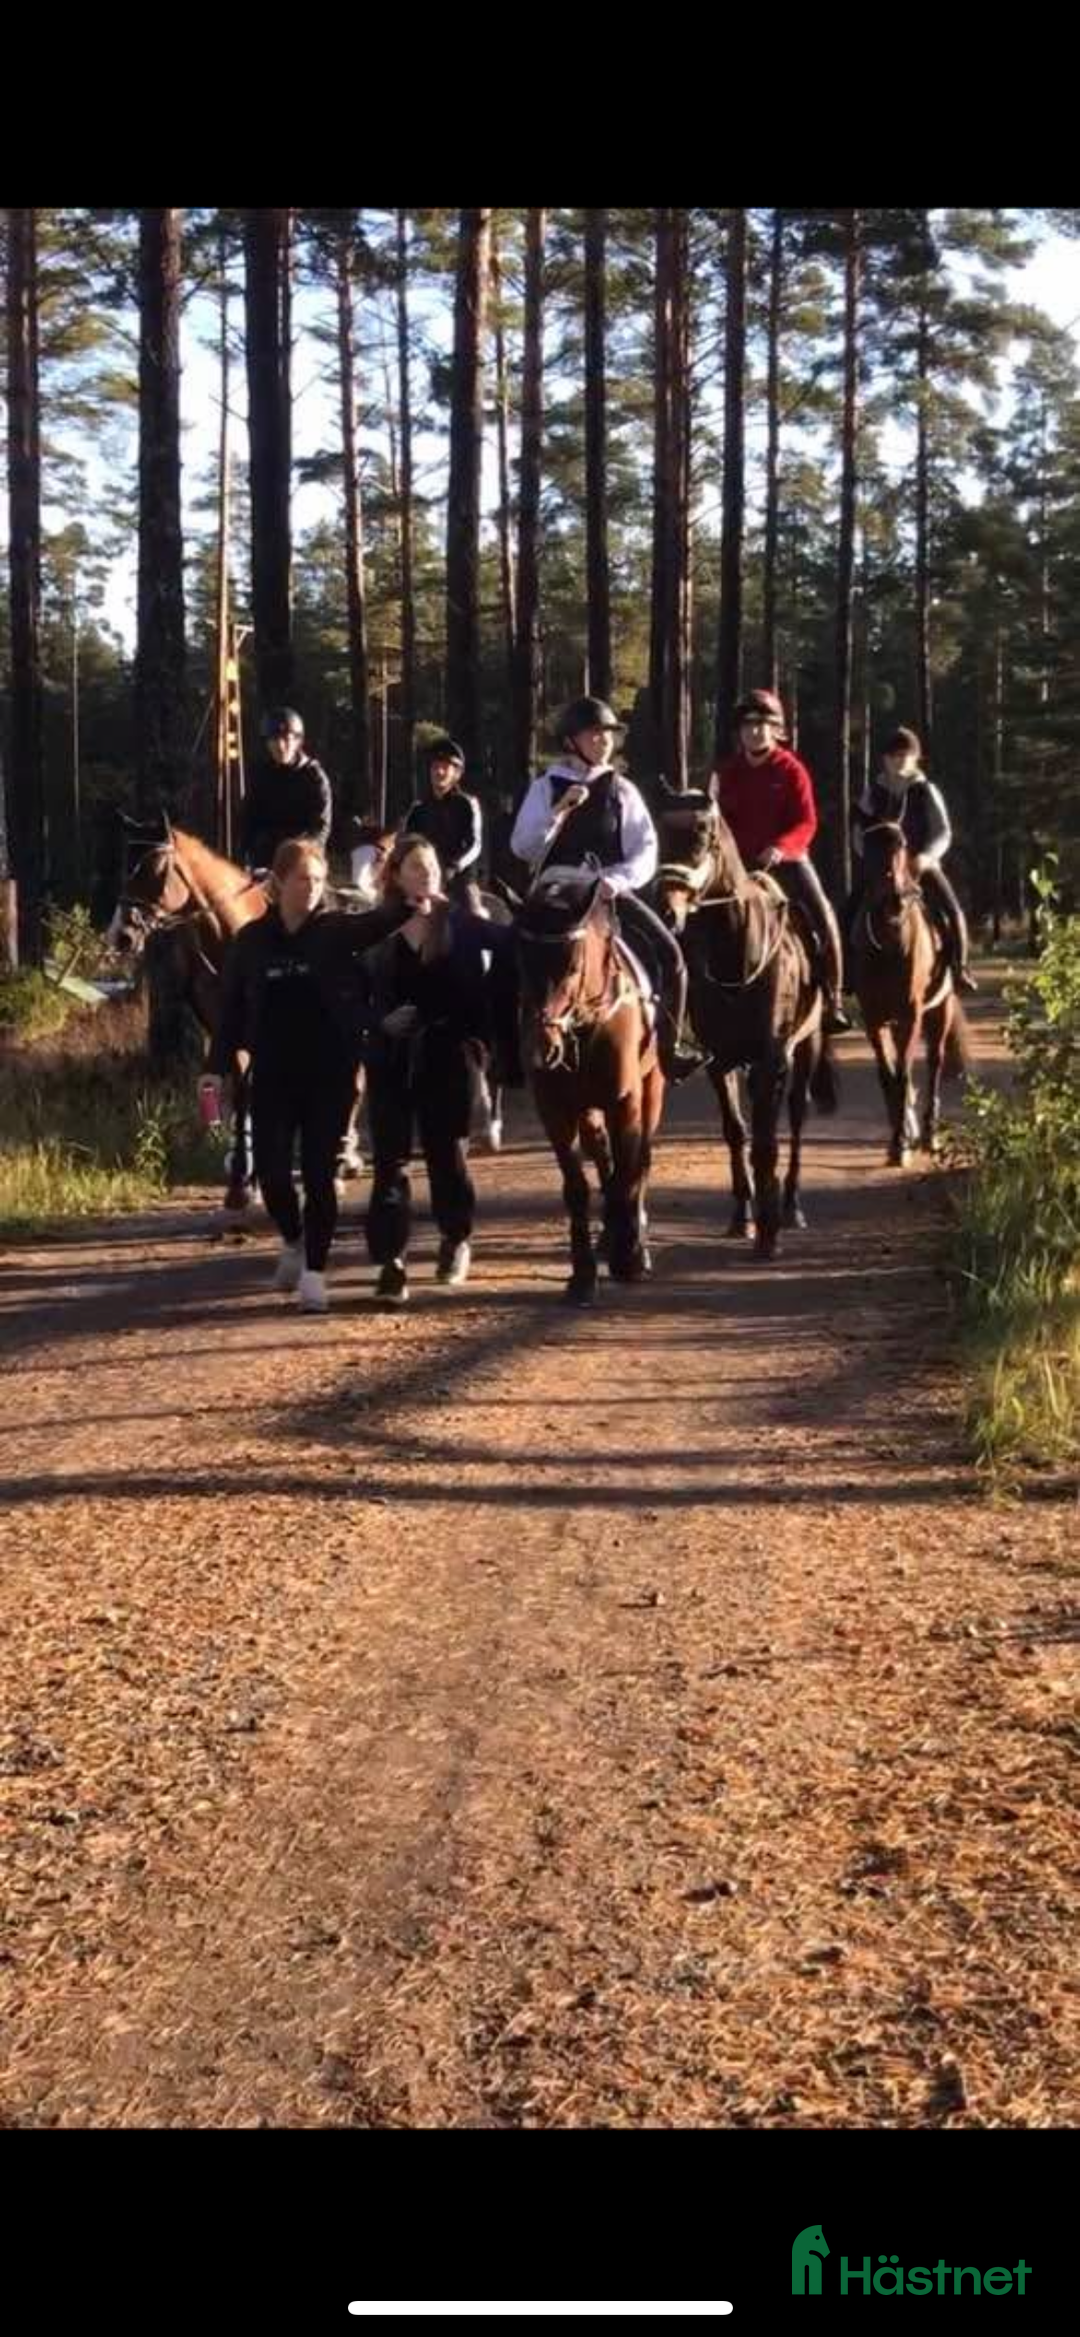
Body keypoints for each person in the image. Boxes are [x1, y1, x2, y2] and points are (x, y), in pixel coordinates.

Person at [202, 840, 402, 1312]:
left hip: (329, 1074)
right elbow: (230, 1013)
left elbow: (374, 924)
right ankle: (292, 1237)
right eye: (302, 880)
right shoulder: (251, 942)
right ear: (277, 884)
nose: (311, 889)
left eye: (317, 880)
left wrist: (411, 901)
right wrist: (214, 1070)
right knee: (271, 1175)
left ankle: (314, 1271)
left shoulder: (333, 931)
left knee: (317, 1174)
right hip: (271, 1074)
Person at [510, 695, 703, 1081]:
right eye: (594, 734)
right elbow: (522, 846)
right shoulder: (545, 787)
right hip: (554, 894)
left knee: (670, 954)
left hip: (606, 891)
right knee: (507, 954)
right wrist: (559, 810)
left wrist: (616, 881)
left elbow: (645, 851)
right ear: (571, 741)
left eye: (607, 735)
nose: (603, 741)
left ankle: (670, 1045)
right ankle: (506, 1050)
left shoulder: (623, 790)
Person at [361, 836, 518, 1306]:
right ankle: (391, 1262)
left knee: (446, 1156)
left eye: (431, 865)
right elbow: (348, 987)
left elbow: (512, 948)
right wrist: (378, 1023)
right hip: (391, 1057)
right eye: (415, 866)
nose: (426, 873)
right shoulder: (375, 928)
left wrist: (485, 1032)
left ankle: (455, 1239)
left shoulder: (463, 924)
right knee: (389, 1161)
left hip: (448, 1055)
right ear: (395, 874)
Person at [714, 688, 851, 1033]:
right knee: (699, 919)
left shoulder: (792, 770)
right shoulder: (726, 773)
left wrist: (781, 847)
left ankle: (833, 997)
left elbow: (807, 822)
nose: (755, 731)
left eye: (763, 724)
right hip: (738, 868)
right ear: (739, 731)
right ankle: (693, 1007)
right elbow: (715, 823)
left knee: (823, 915)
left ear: (777, 729)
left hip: (786, 862)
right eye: (748, 725)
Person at [851, 726, 978, 993]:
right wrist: (872, 859)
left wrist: (926, 857)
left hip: (920, 867)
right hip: (882, 870)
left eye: (905, 755)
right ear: (884, 759)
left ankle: (960, 967)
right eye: (893, 755)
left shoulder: (926, 791)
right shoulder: (871, 794)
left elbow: (943, 831)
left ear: (915, 758)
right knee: (848, 911)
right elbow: (858, 833)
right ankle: (847, 976)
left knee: (951, 909)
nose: (899, 760)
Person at [239, 708, 333, 876]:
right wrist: (245, 858)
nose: (281, 746)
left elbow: (320, 828)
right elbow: (248, 820)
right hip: (263, 862)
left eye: (286, 739)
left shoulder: (314, 777)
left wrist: (300, 859)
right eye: (274, 740)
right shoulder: (261, 773)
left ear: (298, 741)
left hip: (301, 861)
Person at [404, 737, 484, 911]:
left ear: (457, 774)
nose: (439, 771)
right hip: (425, 878)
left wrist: (454, 866)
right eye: (435, 766)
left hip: (459, 880)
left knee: (472, 918)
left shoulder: (468, 804)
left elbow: (475, 844)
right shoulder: (418, 808)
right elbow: (408, 845)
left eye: (445, 767)